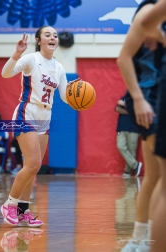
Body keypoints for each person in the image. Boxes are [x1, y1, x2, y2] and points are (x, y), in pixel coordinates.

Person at [1, 26, 78, 227]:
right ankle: (9, 205)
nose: (53, 37)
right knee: (33, 163)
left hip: (45, 116)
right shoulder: (31, 59)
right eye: (47, 34)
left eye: (55, 35)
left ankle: (22, 210)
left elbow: (63, 96)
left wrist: (77, 95)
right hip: (27, 112)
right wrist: (17, 54)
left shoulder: (59, 68)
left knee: (33, 168)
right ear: (38, 40)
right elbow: (5, 73)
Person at [117, 0, 166, 251]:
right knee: (159, 178)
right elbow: (123, 57)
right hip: (151, 99)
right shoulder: (149, 12)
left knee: (155, 176)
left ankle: (139, 240)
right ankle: (140, 241)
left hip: (155, 97)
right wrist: (137, 99)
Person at [115, 95, 142, 178]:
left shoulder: (141, 99)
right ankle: (135, 165)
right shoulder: (125, 97)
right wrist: (132, 111)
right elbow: (118, 108)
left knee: (131, 150)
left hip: (134, 128)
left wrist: (127, 107)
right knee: (120, 146)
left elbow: (139, 109)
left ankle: (127, 171)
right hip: (122, 127)